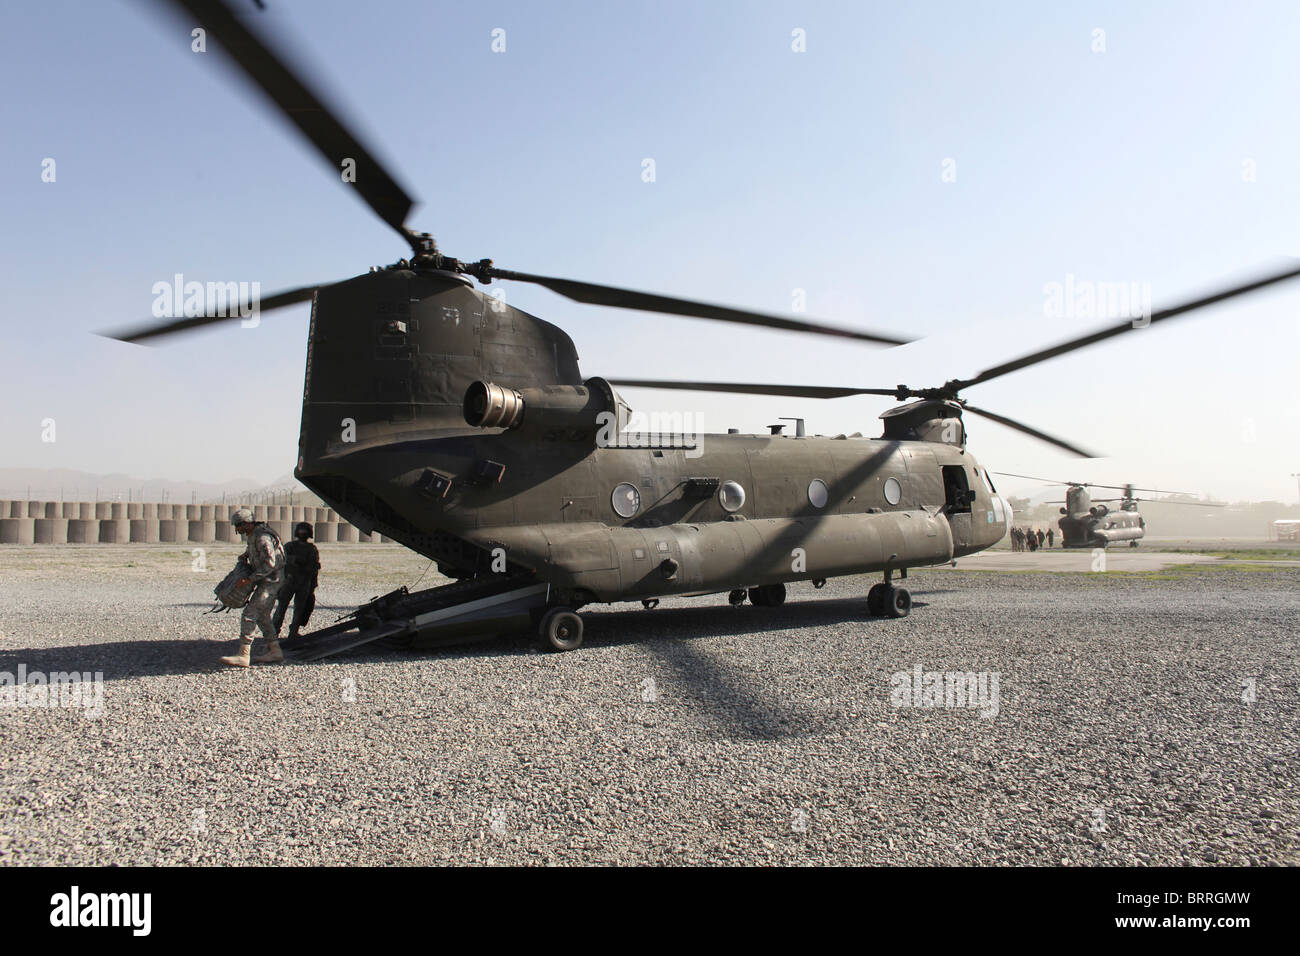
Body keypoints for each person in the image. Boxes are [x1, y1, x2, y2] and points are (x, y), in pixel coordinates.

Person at [220, 508, 286, 667]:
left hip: (271, 581)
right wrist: (246, 555)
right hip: (267, 580)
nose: (238, 530)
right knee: (263, 616)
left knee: (250, 614)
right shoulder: (254, 535)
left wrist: (249, 580)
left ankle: (244, 655)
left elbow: (270, 563)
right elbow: (255, 552)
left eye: (239, 526)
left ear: (246, 524)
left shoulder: (262, 537)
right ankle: (275, 651)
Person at [274, 521, 320, 641]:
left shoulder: (311, 549)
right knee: (282, 608)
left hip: (304, 582)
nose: (302, 533)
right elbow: (281, 561)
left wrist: (313, 585)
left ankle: (293, 632)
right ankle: (274, 632)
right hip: (290, 580)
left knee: (299, 609)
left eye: (304, 531)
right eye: (301, 531)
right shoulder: (290, 546)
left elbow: (314, 568)